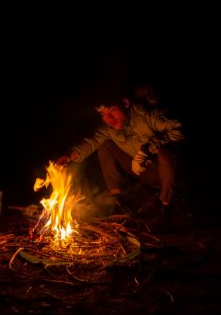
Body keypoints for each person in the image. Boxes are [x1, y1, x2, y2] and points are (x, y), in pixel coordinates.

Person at [55, 92, 190, 223]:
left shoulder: (148, 116)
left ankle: (166, 207)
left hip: (170, 173)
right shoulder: (110, 129)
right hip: (144, 173)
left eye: (112, 110)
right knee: (105, 145)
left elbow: (177, 130)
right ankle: (117, 201)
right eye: (103, 114)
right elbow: (92, 141)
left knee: (165, 152)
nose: (109, 118)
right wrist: (68, 156)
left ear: (125, 103)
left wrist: (147, 150)